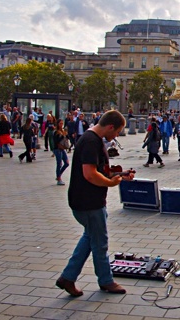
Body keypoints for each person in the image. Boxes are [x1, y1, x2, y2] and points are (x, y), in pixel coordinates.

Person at [56, 110, 132, 297]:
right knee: (100, 243)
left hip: (87, 200)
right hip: (89, 202)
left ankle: (68, 277)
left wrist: (119, 176)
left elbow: (99, 170)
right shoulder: (91, 141)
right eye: (117, 132)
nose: (116, 136)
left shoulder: (92, 139)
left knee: (90, 239)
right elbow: (90, 174)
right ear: (110, 127)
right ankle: (106, 280)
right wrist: (111, 183)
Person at [53, 119, 70, 185]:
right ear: (57, 124)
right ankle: (59, 179)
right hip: (57, 149)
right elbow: (56, 141)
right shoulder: (56, 132)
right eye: (60, 123)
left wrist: (66, 134)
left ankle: (58, 175)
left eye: (62, 123)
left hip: (62, 149)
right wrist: (62, 136)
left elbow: (67, 138)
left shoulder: (63, 131)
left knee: (67, 163)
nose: (61, 125)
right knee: (59, 163)